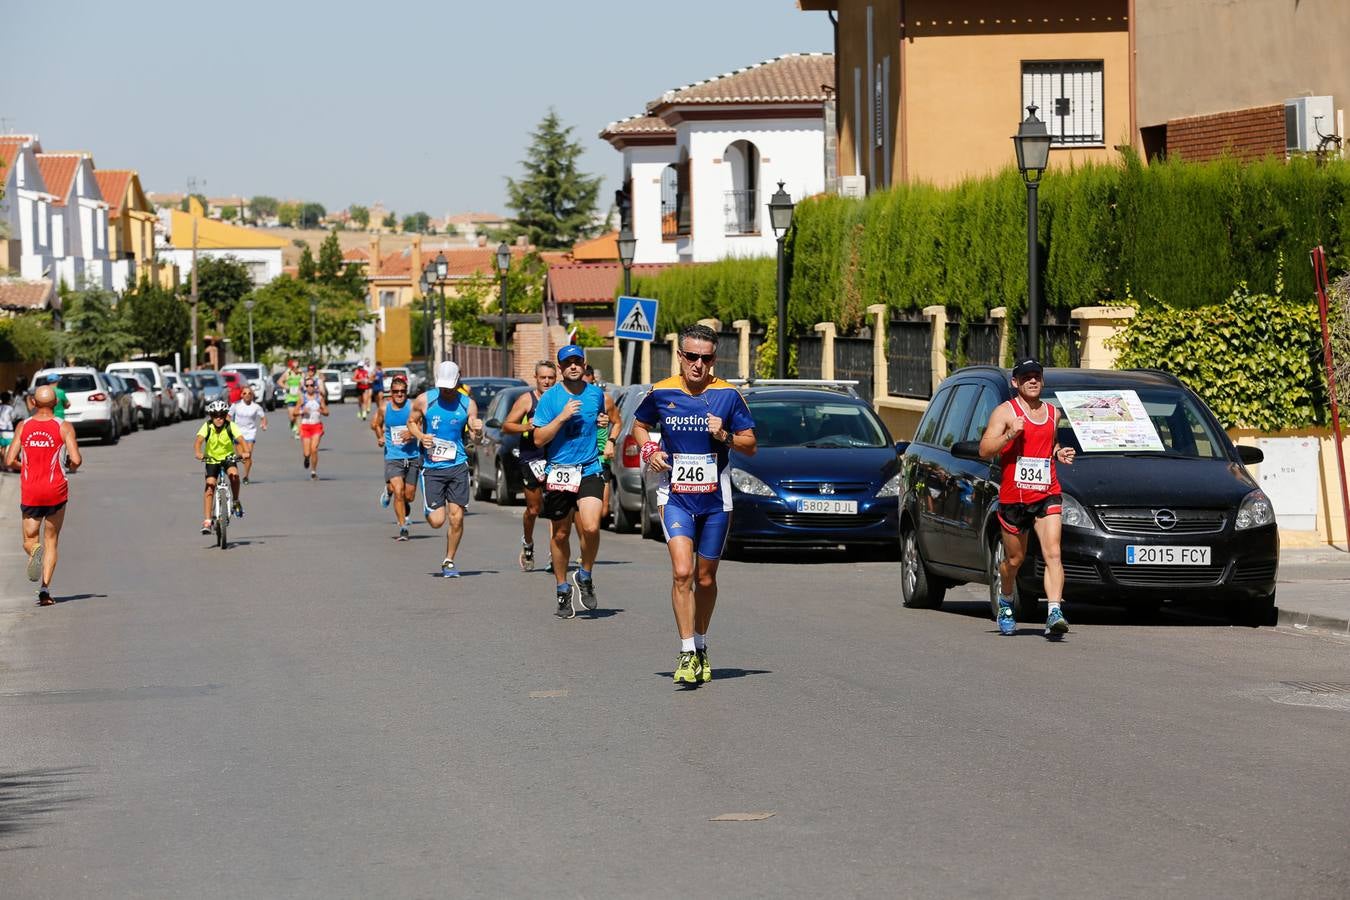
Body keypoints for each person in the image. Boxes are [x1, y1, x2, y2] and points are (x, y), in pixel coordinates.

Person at [633, 323, 756, 685]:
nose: (698, 364)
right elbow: (639, 426)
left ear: (714, 359)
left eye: (706, 358)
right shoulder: (661, 391)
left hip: (716, 499)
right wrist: (650, 450)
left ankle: (701, 644)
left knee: (705, 577)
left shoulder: (728, 395)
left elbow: (751, 444)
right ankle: (687, 651)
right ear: (680, 356)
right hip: (674, 496)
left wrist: (725, 435)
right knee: (683, 572)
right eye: (692, 356)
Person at [977, 357, 1076, 639]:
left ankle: (1054, 612)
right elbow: (985, 449)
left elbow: (1049, 443)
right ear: (1015, 382)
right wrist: (1010, 434)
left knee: (1053, 552)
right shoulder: (1005, 412)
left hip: (1047, 492)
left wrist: (1058, 452)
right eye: (1026, 377)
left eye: (1037, 376)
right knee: (1014, 560)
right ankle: (1006, 601)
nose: (1032, 381)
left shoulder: (1053, 413)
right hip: (1015, 497)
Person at [530, 345, 611, 619]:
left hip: (589, 468)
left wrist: (603, 426)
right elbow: (538, 439)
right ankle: (562, 588)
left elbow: (602, 420)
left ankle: (585, 574)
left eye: (577, 361)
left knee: (591, 526)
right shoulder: (550, 399)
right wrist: (562, 417)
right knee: (560, 534)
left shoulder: (595, 394)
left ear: (584, 365)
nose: (573, 366)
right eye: (568, 363)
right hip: (559, 471)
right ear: (560, 368)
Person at [4, 385, 81, 606]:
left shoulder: (24, 426)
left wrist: (26, 465)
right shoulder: (64, 426)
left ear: (33, 403)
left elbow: (9, 460)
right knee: (51, 541)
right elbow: (76, 460)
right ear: (56, 403)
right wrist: (69, 465)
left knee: (30, 540)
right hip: (56, 490)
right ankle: (45, 590)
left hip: (32, 491)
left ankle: (33, 551)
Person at [407, 360, 482, 577]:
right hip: (432, 468)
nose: (446, 390)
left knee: (457, 517)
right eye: (443, 386)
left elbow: (475, 438)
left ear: (458, 382)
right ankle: (429, 508)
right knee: (437, 521)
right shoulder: (425, 400)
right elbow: (411, 422)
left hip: (457, 465)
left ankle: (449, 560)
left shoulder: (467, 404)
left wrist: (478, 431)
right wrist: (421, 436)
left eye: (450, 386)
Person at [500, 360, 558, 570]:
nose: (547, 382)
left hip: (556, 457)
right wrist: (526, 426)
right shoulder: (527, 399)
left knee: (556, 509)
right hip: (531, 458)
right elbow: (507, 426)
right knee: (534, 509)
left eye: (551, 378)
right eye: (543, 378)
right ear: (536, 378)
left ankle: (555, 553)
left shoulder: (560, 399)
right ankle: (528, 542)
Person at [371, 374, 421, 541]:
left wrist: (412, 434)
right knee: (399, 491)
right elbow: (376, 424)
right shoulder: (384, 409)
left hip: (412, 456)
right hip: (393, 456)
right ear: (391, 392)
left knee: (409, 496)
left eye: (402, 391)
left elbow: (421, 427)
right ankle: (403, 527)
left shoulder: (413, 407)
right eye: (396, 391)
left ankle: (391, 492)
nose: (399, 394)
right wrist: (380, 437)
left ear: (406, 392)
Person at [195, 399, 251, 531]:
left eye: (222, 415)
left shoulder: (231, 426)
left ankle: (236, 501)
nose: (219, 418)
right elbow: (198, 441)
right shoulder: (207, 426)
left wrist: (246, 452)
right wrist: (198, 453)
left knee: (234, 476)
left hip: (228, 458)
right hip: (212, 459)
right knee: (210, 486)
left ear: (226, 415)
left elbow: (241, 440)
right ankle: (207, 521)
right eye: (215, 415)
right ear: (211, 416)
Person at [584, 365, 621, 524]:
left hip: (599, 457)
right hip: (576, 458)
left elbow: (617, 422)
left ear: (592, 378)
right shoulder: (568, 399)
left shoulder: (604, 399)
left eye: (587, 375)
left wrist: (611, 442)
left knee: (603, 510)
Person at [229, 386, 267, 485]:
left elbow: (263, 417)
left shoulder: (256, 407)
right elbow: (228, 416)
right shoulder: (236, 405)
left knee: (248, 455)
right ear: (241, 395)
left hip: (250, 432)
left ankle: (246, 476)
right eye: (244, 393)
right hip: (238, 432)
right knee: (242, 457)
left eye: (249, 393)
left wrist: (263, 424)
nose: (247, 395)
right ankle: (237, 463)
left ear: (252, 395)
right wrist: (228, 427)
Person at [294, 375, 329, 480]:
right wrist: (302, 411)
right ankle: (306, 457)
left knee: (314, 449)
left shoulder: (319, 398)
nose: (309, 387)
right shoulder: (302, 398)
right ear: (305, 387)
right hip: (305, 426)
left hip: (316, 426)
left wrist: (321, 411)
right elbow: (294, 412)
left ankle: (313, 472)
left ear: (315, 386)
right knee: (307, 452)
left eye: (311, 385)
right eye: (307, 385)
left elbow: (327, 412)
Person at [283, 359, 304, 438]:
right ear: (291, 367)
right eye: (294, 367)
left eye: (297, 367)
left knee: (298, 415)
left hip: (299, 397)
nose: (296, 368)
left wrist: (302, 385)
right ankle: (292, 423)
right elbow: (279, 382)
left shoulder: (301, 373)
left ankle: (298, 432)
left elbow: (305, 381)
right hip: (290, 397)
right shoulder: (287, 373)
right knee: (292, 417)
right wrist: (286, 387)